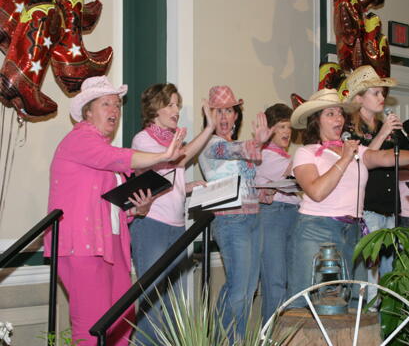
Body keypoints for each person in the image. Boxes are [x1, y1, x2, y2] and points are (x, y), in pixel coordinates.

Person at [45, 76, 187, 346]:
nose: (114, 110)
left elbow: (111, 207)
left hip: (112, 247)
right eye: (106, 104)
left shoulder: (104, 153)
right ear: (88, 113)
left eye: (118, 105)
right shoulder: (79, 140)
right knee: (91, 326)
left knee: (122, 321)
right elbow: (118, 157)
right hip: (82, 247)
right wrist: (163, 156)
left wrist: (137, 210)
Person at [286, 88, 409, 307]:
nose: (338, 118)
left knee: (357, 303)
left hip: (354, 232)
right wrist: (345, 158)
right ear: (316, 122)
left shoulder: (357, 151)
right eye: (330, 114)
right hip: (316, 230)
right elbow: (317, 192)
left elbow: (383, 157)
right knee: (307, 302)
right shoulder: (306, 152)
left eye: (339, 113)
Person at [130, 83, 216, 345]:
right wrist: (209, 128)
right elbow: (174, 161)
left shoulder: (172, 142)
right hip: (152, 226)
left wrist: (186, 186)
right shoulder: (142, 139)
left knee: (175, 305)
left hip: (178, 227)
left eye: (177, 104)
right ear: (154, 107)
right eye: (170, 104)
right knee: (153, 304)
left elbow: (167, 176)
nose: (176, 110)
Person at [343, 65, 409, 304]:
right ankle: (368, 329)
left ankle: (387, 326)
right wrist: (383, 133)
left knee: (390, 275)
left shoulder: (386, 128)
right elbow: (364, 160)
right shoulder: (348, 129)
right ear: (359, 98)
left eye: (383, 93)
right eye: (376, 93)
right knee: (369, 280)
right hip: (367, 209)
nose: (382, 98)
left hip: (391, 210)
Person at [198, 85, 274, 340]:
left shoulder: (235, 144)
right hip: (231, 221)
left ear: (235, 115)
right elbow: (232, 151)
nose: (223, 117)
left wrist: (261, 192)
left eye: (228, 111)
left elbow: (242, 178)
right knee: (240, 291)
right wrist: (258, 142)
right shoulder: (211, 144)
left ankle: (225, 340)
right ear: (209, 116)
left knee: (247, 289)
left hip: (252, 218)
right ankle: (230, 340)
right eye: (217, 111)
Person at [254, 103, 300, 323]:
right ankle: (271, 336)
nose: (287, 132)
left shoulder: (284, 156)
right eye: (281, 126)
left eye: (289, 127)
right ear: (269, 130)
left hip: (292, 214)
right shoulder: (266, 156)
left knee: (292, 281)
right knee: (275, 281)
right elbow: (294, 173)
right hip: (273, 215)